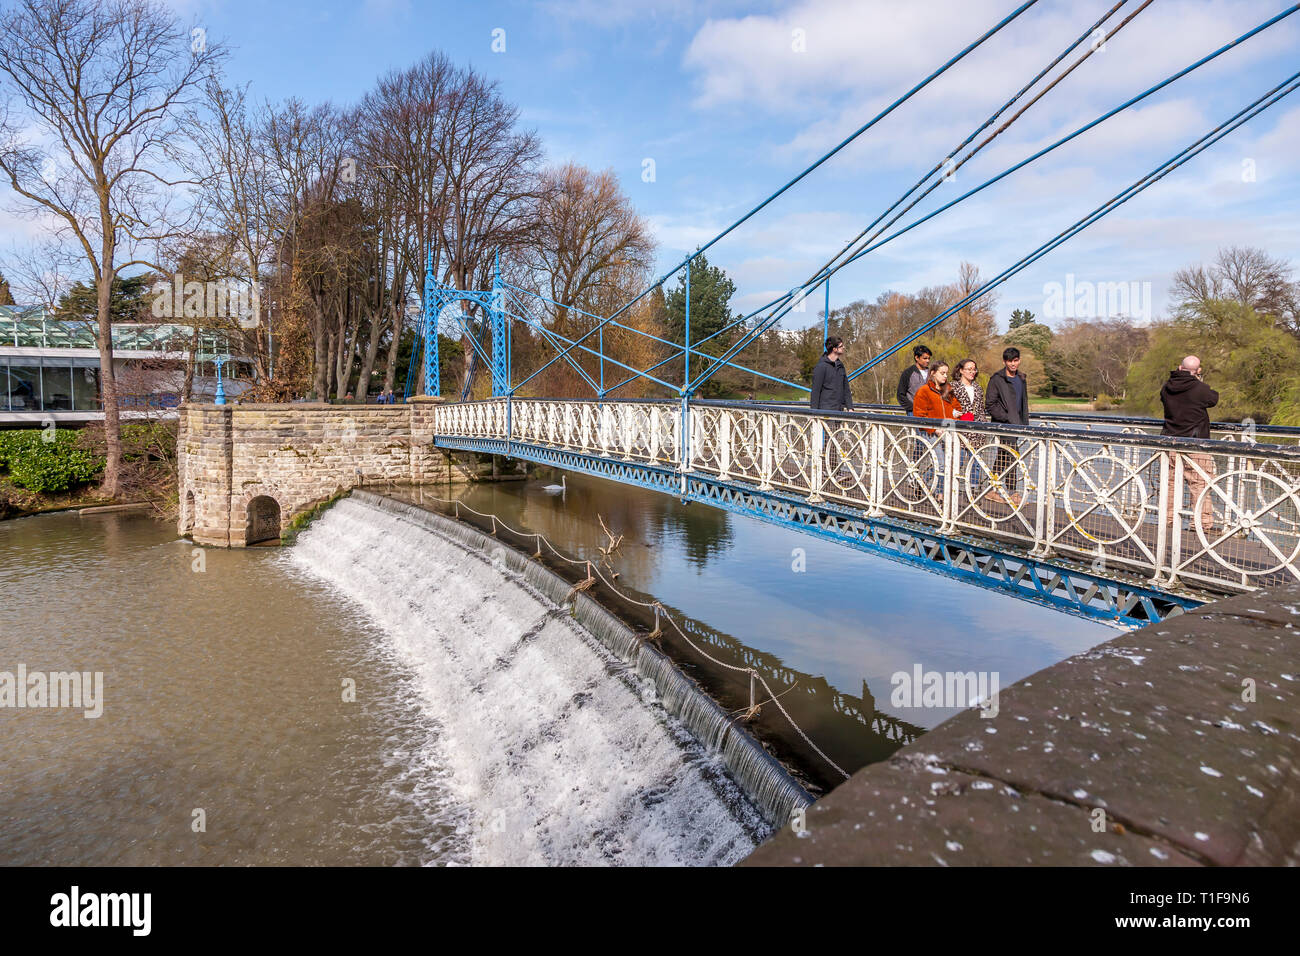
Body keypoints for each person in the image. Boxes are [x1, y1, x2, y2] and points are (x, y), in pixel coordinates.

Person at [1160, 355, 1219, 532]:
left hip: (1170, 442)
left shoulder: (1167, 387)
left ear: (1179, 368)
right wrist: (1198, 379)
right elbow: (1213, 399)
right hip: (1195, 444)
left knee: (1169, 483)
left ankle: (1167, 520)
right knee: (1199, 484)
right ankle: (1201, 524)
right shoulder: (1199, 388)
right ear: (1198, 371)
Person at [909, 361, 962, 503]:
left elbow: (956, 406)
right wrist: (934, 429)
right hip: (931, 432)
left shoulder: (948, 389)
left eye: (946, 373)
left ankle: (925, 484)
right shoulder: (924, 391)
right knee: (942, 463)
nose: (945, 376)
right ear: (933, 373)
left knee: (952, 462)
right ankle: (938, 493)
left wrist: (956, 413)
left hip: (947, 430)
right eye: (942, 373)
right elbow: (919, 415)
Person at [984, 347, 1029, 506]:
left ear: (1019, 360)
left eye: (1015, 360)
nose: (1013, 364)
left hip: (1017, 424)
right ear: (1004, 362)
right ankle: (1012, 492)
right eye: (1010, 361)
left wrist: (1024, 423)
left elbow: (1023, 403)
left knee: (1003, 457)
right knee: (1012, 456)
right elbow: (990, 404)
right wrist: (1006, 418)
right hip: (1003, 425)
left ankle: (991, 489)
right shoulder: (997, 379)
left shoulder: (1022, 378)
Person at [953, 358, 989, 490]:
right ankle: (948, 487)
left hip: (977, 429)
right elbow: (948, 406)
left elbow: (980, 408)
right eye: (969, 369)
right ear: (961, 370)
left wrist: (983, 425)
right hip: (961, 429)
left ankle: (973, 489)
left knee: (976, 461)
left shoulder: (978, 388)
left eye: (974, 369)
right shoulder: (953, 386)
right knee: (958, 461)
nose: (972, 372)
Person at [810, 336, 854, 412]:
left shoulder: (840, 366)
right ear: (834, 349)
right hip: (825, 412)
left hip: (839, 410)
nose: (843, 347)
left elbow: (846, 388)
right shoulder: (821, 366)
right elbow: (815, 391)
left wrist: (850, 407)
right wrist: (814, 413)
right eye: (841, 346)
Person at [896, 345, 932, 413]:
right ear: (917, 358)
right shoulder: (908, 373)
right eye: (925, 358)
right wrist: (912, 407)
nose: (927, 361)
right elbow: (900, 394)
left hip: (930, 412)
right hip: (914, 412)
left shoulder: (932, 373)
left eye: (929, 358)